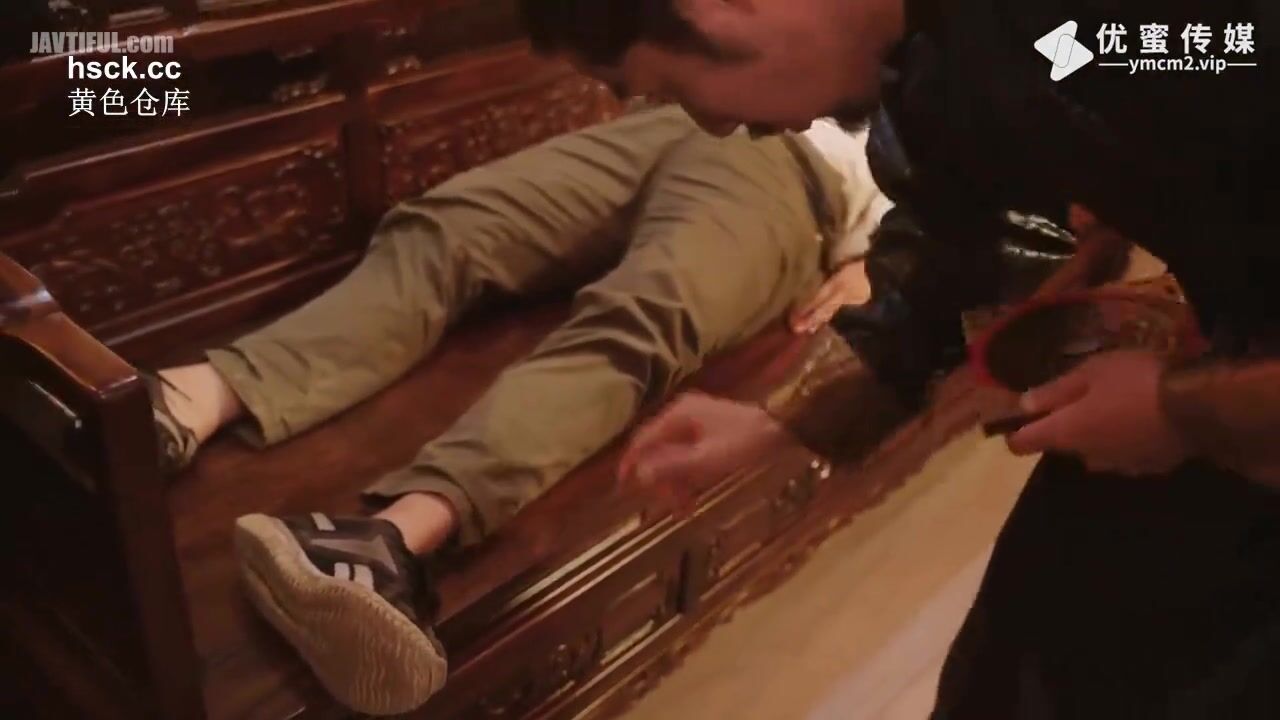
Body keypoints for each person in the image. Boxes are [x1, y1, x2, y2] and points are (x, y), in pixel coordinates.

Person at [516, 0, 1280, 717]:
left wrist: (1185, 409)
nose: (716, 126)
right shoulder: (943, 51)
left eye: (678, 89)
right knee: (1025, 652)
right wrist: (786, 418)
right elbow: (961, 246)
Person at [147, 104, 893, 715]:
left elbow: (965, 221)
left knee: (642, 318)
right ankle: (189, 400)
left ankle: (381, 547)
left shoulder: (962, 67)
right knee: (447, 229)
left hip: (805, 183)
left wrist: (885, 258)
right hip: (685, 117)